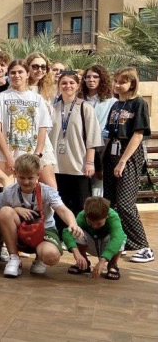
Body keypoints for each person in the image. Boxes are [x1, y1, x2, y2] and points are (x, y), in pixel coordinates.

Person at [0, 154, 82, 278]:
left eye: (30, 178)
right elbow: (1, 213)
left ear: (38, 175)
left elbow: (62, 210)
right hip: (20, 230)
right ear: (15, 174)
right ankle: (14, 258)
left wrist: (72, 224)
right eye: (22, 177)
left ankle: (40, 258)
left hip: (44, 230)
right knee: (5, 211)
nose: (26, 182)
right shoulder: (9, 191)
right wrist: (16, 209)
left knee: (51, 256)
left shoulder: (47, 191)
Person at [103, 67, 154, 263]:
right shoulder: (116, 105)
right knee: (111, 202)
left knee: (125, 204)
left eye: (122, 82)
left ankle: (144, 246)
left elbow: (138, 135)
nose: (117, 85)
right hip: (111, 154)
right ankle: (120, 241)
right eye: (115, 81)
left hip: (129, 155)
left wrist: (123, 161)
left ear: (132, 83)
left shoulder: (138, 103)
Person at [0, 59, 57, 189]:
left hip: (31, 154)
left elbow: (42, 129)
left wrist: (36, 156)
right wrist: (8, 157)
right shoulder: (1, 98)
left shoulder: (37, 99)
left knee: (47, 190)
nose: (17, 75)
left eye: (20, 72)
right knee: (6, 193)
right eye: (13, 72)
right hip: (6, 157)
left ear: (27, 74)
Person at [49, 71, 103, 231]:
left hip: (79, 165)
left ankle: (82, 236)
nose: (68, 86)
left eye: (71, 83)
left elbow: (92, 138)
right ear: (59, 86)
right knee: (60, 204)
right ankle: (62, 236)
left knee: (81, 205)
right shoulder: (53, 108)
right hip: (57, 166)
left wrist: (89, 162)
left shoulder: (85, 107)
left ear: (78, 85)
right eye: (64, 83)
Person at [62, 196, 127, 280]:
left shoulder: (113, 216)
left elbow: (117, 237)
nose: (94, 226)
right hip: (91, 243)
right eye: (90, 222)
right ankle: (84, 263)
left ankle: (112, 264)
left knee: (121, 238)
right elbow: (67, 232)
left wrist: (102, 262)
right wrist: (76, 253)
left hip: (107, 245)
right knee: (76, 232)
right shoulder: (82, 215)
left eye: (99, 223)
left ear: (107, 215)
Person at [79, 64, 116, 195]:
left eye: (95, 77)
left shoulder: (111, 102)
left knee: (98, 189)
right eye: (88, 77)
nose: (91, 79)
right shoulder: (78, 100)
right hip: (80, 148)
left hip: (101, 150)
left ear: (102, 79)